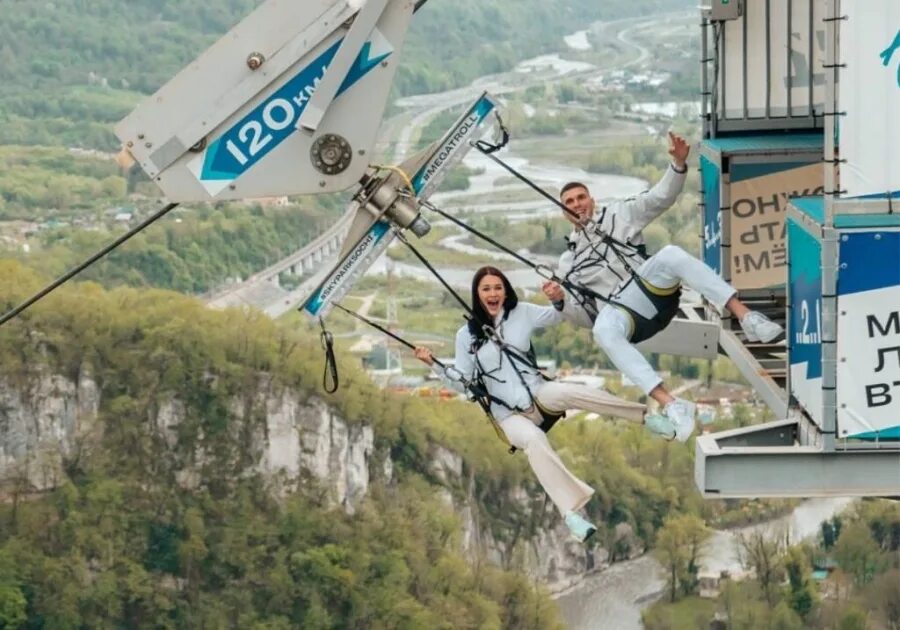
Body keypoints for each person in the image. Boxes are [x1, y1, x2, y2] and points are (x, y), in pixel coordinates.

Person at [541, 132, 783, 442]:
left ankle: (746, 316)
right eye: (570, 203)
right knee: (602, 330)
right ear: (565, 213)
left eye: (581, 198)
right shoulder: (568, 262)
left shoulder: (619, 214)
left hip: (650, 289)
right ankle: (672, 403)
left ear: (592, 200)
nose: (577, 205)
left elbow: (660, 198)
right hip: (624, 312)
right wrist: (560, 301)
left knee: (669, 254)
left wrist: (678, 163)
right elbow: (581, 317)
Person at [414, 266, 675, 543]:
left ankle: (647, 419)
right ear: (477, 294)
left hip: (537, 392)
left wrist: (557, 298)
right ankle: (571, 513)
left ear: (505, 291)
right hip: (507, 415)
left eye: (497, 287)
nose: (493, 293)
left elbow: (556, 316)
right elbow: (462, 381)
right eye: (486, 289)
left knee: (572, 391)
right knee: (535, 440)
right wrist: (435, 365)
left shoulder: (522, 314)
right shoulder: (466, 336)